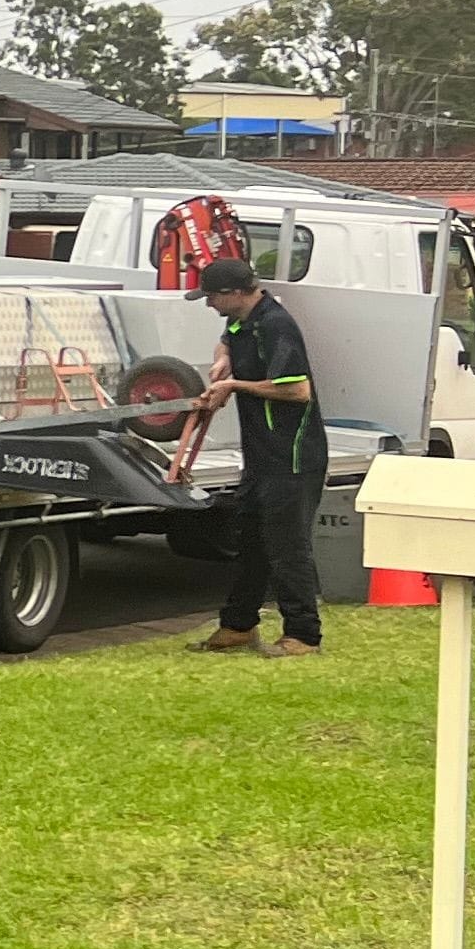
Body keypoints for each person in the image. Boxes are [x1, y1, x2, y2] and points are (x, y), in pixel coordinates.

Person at [186, 254, 325, 657]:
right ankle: (238, 626)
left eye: (212, 297)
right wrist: (223, 358)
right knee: (249, 541)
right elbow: (228, 337)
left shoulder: (276, 325)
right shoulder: (242, 320)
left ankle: (303, 635)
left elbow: (297, 390)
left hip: (292, 458)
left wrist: (235, 386)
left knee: (287, 546)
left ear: (234, 293)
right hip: (261, 459)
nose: (209, 304)